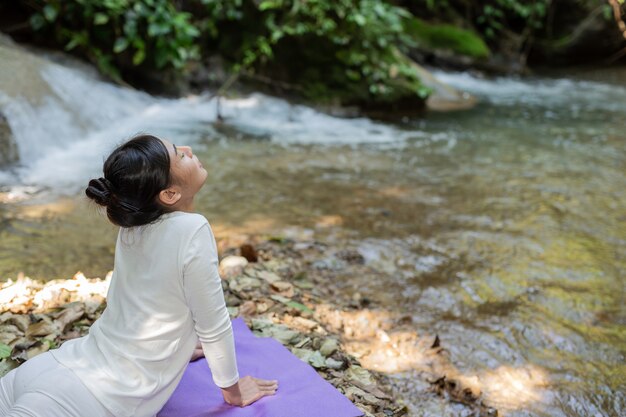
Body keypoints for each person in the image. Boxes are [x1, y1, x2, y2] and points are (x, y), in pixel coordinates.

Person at [0, 134, 278, 417]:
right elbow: (214, 324)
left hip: (52, 369)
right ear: (169, 194)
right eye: (179, 155)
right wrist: (233, 392)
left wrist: (179, 345)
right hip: (91, 397)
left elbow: (139, 302)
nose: (188, 149)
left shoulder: (133, 223)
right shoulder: (193, 229)